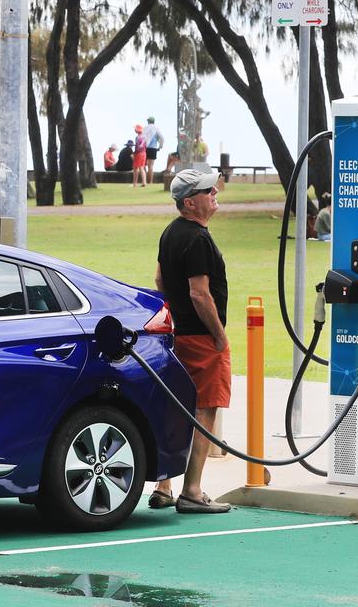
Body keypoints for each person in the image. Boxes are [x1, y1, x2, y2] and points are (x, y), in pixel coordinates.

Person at [150, 169, 232, 514]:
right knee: (204, 409)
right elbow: (200, 294)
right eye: (206, 190)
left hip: (177, 335)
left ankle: (164, 486)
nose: (214, 191)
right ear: (189, 202)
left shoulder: (170, 233)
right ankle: (193, 490)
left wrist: (177, 315)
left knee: (176, 408)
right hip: (201, 339)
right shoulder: (197, 238)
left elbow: (159, 279)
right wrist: (219, 336)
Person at [142, 116, 165, 183]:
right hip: (153, 148)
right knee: (151, 166)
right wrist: (160, 146)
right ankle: (150, 181)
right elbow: (162, 138)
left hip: (144, 148)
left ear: (148, 121)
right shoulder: (156, 128)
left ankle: (144, 181)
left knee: (143, 165)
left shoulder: (145, 128)